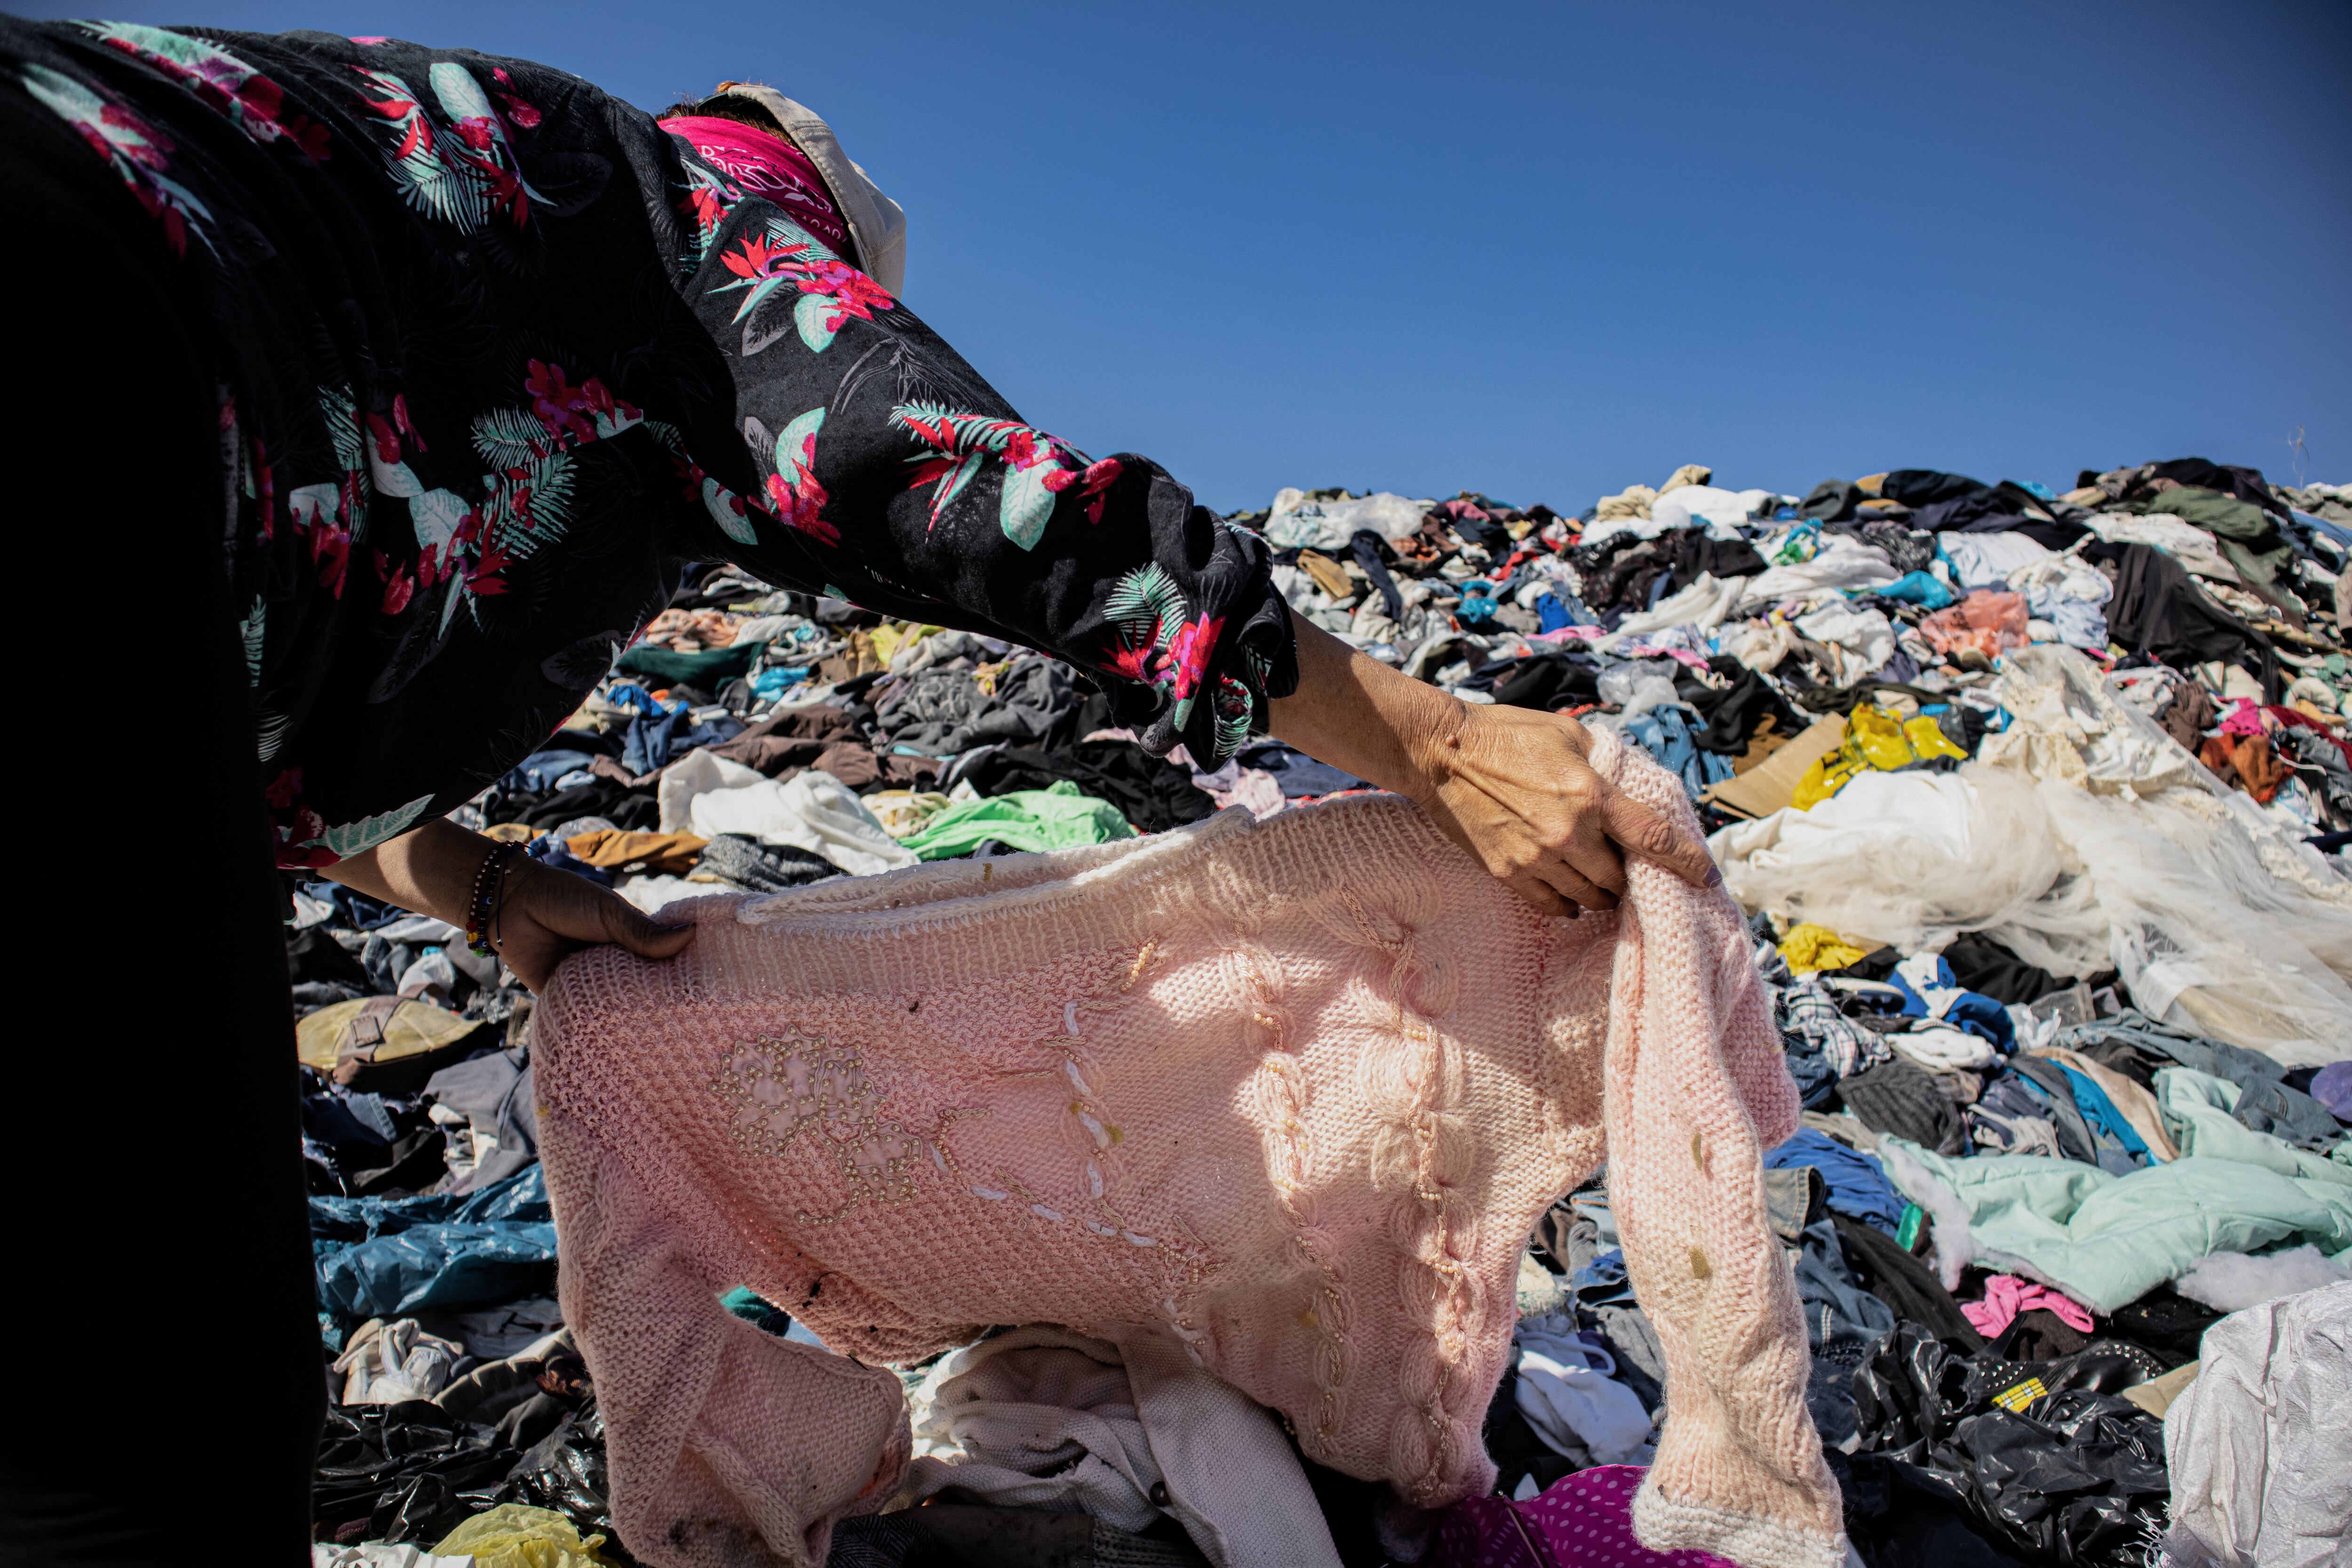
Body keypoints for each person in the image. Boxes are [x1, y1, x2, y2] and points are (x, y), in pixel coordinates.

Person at [1, 21, 1715, 1563]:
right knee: (150, 1414)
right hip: (71, 350)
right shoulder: (686, 213)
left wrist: (488, 894)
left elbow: (262, 711)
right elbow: (982, 497)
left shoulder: (450, 197)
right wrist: (1433, 739)